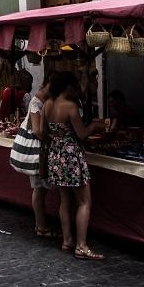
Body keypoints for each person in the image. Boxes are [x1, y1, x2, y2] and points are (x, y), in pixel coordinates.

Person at [42, 72, 105, 260]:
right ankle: (82, 246)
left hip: (56, 155)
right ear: (68, 87)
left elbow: (45, 132)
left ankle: (67, 241)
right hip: (71, 157)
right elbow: (82, 134)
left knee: (65, 200)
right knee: (84, 201)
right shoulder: (70, 107)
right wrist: (94, 125)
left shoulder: (47, 105)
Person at [25, 75, 56, 237]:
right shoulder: (36, 103)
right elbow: (37, 130)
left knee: (41, 189)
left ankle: (41, 225)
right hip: (38, 152)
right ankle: (41, 226)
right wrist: (52, 140)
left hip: (42, 152)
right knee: (39, 189)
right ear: (44, 85)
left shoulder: (41, 102)